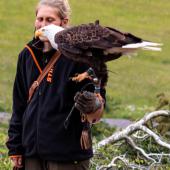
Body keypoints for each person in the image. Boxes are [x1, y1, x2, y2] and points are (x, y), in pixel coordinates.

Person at [6, 0, 105, 170]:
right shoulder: (27, 54)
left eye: (49, 20)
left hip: (66, 156)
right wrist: (15, 148)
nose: (42, 24)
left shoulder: (79, 54)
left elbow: (97, 105)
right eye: (39, 19)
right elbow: (19, 105)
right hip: (31, 155)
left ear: (64, 22)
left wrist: (94, 104)